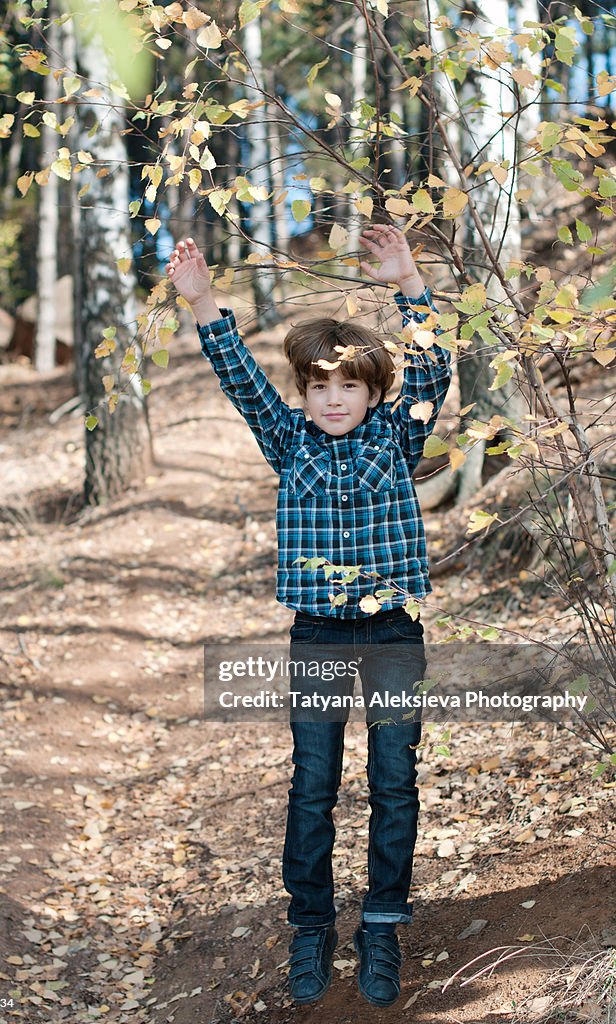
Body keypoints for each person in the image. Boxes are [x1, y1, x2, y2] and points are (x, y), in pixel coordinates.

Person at [166, 226, 452, 1008]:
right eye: (320, 387)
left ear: (371, 393)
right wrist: (203, 302)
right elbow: (237, 378)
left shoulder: (399, 435)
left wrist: (409, 282)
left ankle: (383, 924)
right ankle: (312, 925)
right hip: (319, 634)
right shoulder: (287, 440)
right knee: (313, 785)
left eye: (348, 387)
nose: (333, 398)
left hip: (393, 632)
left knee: (395, 782)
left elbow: (433, 365)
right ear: (305, 395)